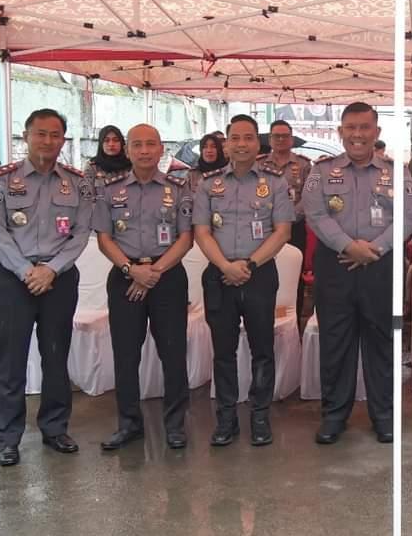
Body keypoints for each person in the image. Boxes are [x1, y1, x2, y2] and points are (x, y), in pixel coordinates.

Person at [0, 109, 94, 467]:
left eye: (55, 134)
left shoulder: (77, 183)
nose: (48, 141)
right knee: (10, 360)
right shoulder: (2, 179)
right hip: (13, 279)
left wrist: (51, 269)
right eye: (40, 134)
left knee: (56, 356)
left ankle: (55, 428)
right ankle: (7, 438)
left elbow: (81, 233)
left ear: (63, 139)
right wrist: (25, 270)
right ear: (26, 136)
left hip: (58, 279)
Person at [305, 102, 412, 444]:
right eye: (351, 128)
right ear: (340, 132)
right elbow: (315, 214)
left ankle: (384, 416)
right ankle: (333, 416)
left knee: (382, 342)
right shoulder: (321, 171)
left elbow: (408, 216)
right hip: (336, 266)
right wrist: (348, 246)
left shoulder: (397, 172)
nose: (357, 134)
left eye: (364, 127)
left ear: (376, 132)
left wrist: (375, 249)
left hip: (381, 266)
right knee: (335, 342)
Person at [192, 114, 294, 447]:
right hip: (219, 275)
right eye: (235, 138)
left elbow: (283, 231)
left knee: (262, 349)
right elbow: (202, 232)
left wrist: (248, 265)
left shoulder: (275, 183)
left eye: (248, 137)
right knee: (223, 351)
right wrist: (225, 266)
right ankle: (226, 419)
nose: (241, 144)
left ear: (257, 143)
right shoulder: (207, 185)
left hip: (259, 274)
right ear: (226, 144)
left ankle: (260, 416)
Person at [93, 124, 194, 451]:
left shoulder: (179, 188)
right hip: (125, 277)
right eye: (137, 145)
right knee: (125, 354)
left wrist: (153, 272)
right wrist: (132, 270)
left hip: (168, 276)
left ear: (161, 149)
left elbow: (186, 238)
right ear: (127, 149)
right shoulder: (109, 190)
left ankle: (175, 424)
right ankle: (129, 424)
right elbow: (104, 239)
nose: (145, 150)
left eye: (151, 144)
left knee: (173, 353)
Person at [259, 119, 312, 319]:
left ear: (291, 139)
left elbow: (309, 197)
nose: (281, 140)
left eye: (285, 136)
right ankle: (263, 318)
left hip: (294, 228)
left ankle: (293, 321)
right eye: (276, 136)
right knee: (263, 273)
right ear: (270, 139)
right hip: (264, 229)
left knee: (293, 275)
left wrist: (286, 219)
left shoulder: (304, 164)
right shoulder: (259, 163)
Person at [84, 125, 132, 190]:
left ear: (122, 142)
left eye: (116, 140)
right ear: (101, 144)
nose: (111, 144)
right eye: (106, 140)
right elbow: (87, 193)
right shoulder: (92, 167)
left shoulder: (131, 164)